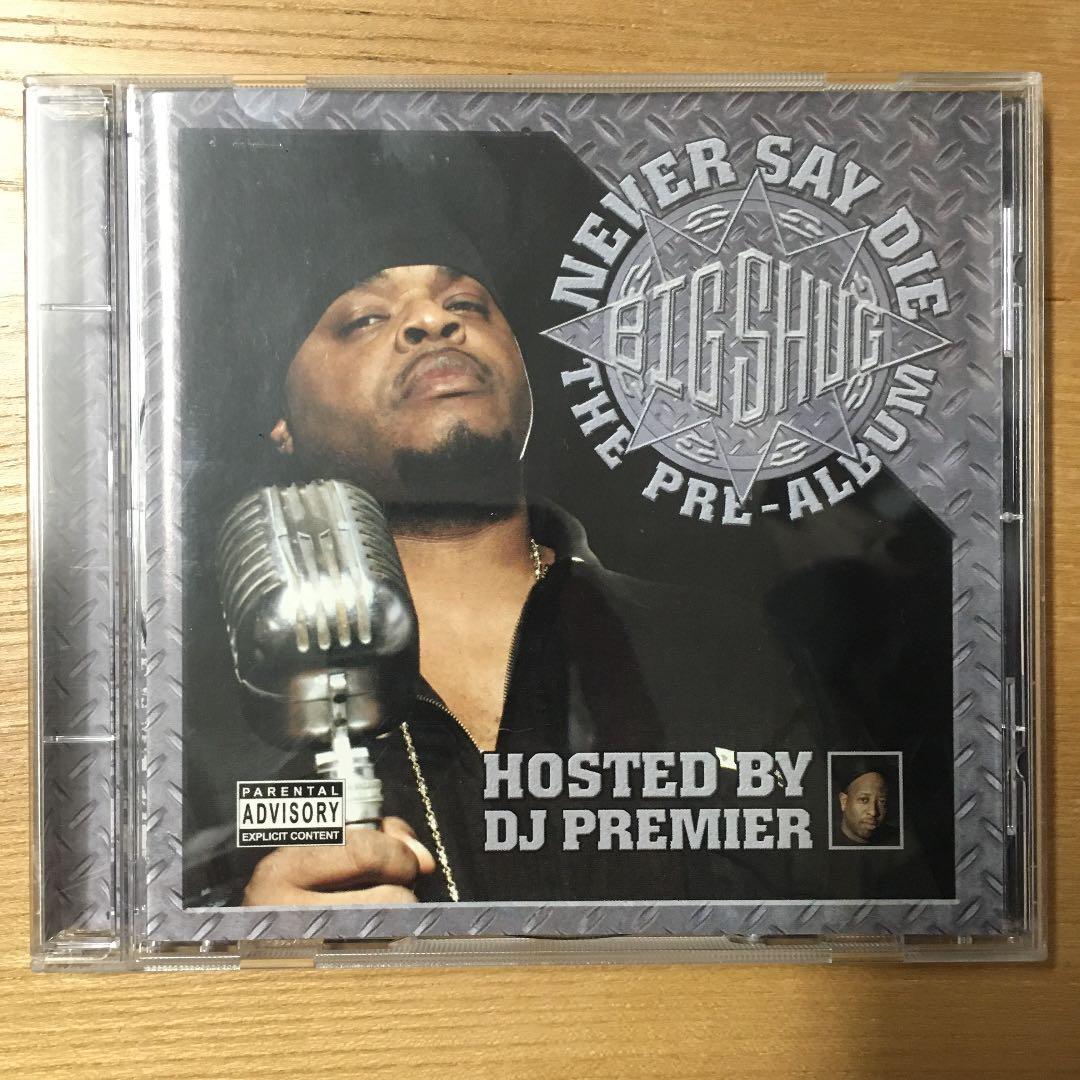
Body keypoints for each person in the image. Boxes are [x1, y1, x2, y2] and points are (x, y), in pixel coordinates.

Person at [239, 259, 828, 906]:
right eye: (366, 318)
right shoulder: (218, 720)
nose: (433, 320)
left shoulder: (726, 648)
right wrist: (252, 941)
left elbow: (863, 918)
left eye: (466, 304)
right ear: (278, 421)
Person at [833, 766, 902, 848]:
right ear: (844, 801)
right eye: (864, 800)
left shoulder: (900, 840)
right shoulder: (824, 841)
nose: (873, 812)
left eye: (882, 802)